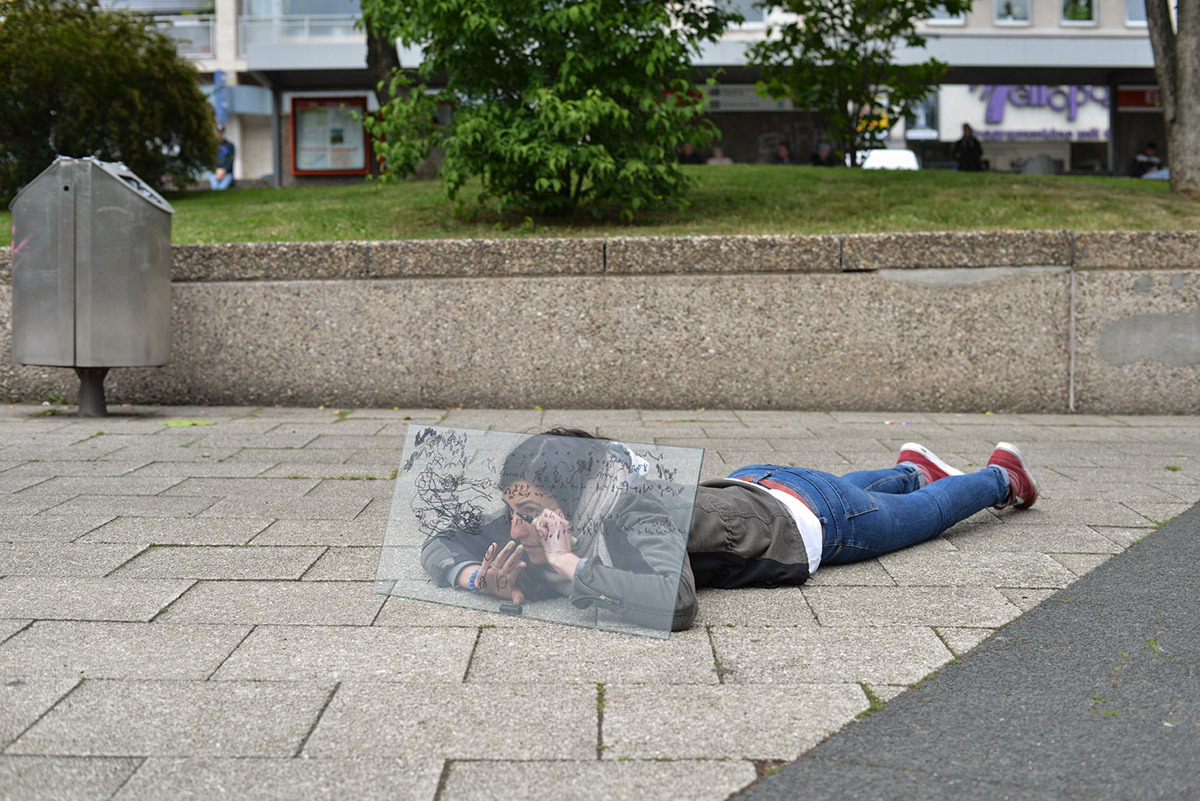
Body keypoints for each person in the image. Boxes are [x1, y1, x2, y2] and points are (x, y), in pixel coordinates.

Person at [420, 429, 1038, 631]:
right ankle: (909, 469)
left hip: (808, 518)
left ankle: (1000, 477)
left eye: (532, 515)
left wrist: (565, 564)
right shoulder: (548, 509)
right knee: (862, 490)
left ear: (577, 502)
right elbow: (441, 539)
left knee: (924, 516)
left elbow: (676, 602)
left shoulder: (633, 512)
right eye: (514, 511)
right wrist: (472, 576)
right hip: (753, 485)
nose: (517, 527)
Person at [210, 123, 235, 190]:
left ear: (224, 132)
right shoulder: (212, 146)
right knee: (215, 187)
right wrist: (217, 170)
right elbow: (211, 161)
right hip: (215, 173)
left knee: (222, 188)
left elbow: (231, 161)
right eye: (218, 132)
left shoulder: (230, 146)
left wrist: (224, 171)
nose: (219, 134)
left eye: (221, 132)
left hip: (227, 173)